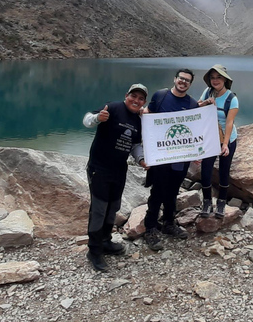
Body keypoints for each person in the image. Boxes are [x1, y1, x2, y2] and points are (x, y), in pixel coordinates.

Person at [83, 83, 148, 272]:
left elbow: (135, 146)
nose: (136, 101)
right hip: (99, 168)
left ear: (144, 102)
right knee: (99, 209)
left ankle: (105, 241)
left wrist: (141, 159)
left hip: (119, 169)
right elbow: (87, 120)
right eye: (133, 96)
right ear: (126, 95)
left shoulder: (138, 120)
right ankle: (94, 251)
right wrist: (97, 118)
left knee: (113, 207)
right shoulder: (112, 108)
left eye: (140, 98)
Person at [141, 68, 199, 251]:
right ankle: (149, 228)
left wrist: (196, 153)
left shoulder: (192, 104)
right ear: (175, 79)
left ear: (190, 84)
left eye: (187, 81)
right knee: (157, 191)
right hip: (159, 156)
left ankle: (168, 223)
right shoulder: (161, 96)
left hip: (180, 157)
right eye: (181, 78)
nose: (183, 82)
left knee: (173, 190)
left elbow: (194, 130)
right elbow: (148, 115)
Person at [197, 64, 239, 219]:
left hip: (226, 139)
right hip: (210, 138)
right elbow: (197, 106)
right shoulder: (208, 92)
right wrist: (206, 103)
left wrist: (226, 144)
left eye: (218, 77)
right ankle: (207, 201)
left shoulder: (231, 99)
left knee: (224, 170)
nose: (215, 80)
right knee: (206, 169)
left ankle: (221, 202)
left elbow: (229, 123)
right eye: (212, 77)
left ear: (225, 79)